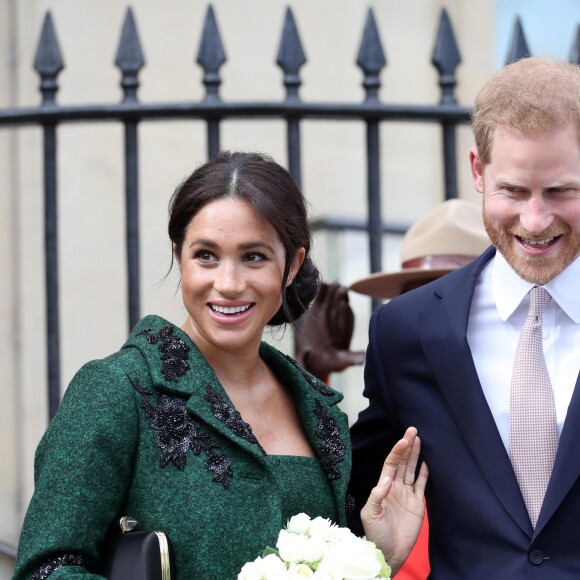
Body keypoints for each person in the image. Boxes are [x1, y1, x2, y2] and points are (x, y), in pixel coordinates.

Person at [14, 151, 353, 579]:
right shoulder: (116, 389)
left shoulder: (322, 411)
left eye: (254, 257)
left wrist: (383, 553)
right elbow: (46, 569)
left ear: (292, 266)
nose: (228, 284)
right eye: (206, 255)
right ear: (179, 256)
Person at [349, 56, 580, 578]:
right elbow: (351, 495)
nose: (535, 220)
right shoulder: (405, 332)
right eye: (514, 191)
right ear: (478, 170)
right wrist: (377, 545)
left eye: (561, 191)